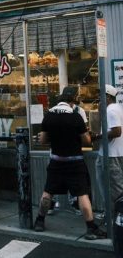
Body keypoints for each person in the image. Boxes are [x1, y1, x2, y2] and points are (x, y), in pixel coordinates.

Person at [33, 93, 106, 240]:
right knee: (82, 194)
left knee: (48, 192)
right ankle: (91, 227)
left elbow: (43, 140)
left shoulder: (48, 116)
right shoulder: (75, 117)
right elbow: (86, 141)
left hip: (56, 160)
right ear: (71, 103)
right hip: (74, 162)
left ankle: (39, 221)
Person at [94, 85, 123, 214]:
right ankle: (112, 216)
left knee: (114, 189)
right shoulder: (115, 108)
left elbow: (117, 131)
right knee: (111, 187)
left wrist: (97, 136)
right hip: (111, 153)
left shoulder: (111, 110)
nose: (98, 98)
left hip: (110, 155)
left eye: (100, 95)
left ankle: (117, 220)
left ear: (107, 96)